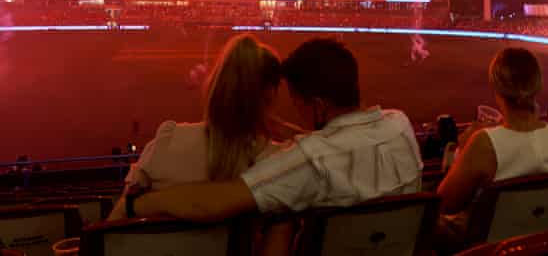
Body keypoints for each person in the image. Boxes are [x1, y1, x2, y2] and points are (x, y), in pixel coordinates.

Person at [130, 37, 423, 223]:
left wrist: (140, 203)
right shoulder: (399, 123)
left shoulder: (307, 160)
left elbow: (215, 202)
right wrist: (291, 133)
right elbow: (342, 145)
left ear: (318, 105)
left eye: (297, 103)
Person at [109, 34, 284, 220]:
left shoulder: (168, 141)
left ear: (217, 83)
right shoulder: (278, 163)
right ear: (270, 93)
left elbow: (117, 219)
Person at [435, 48, 548, 245]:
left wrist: (462, 151)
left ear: (497, 88)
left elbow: (445, 204)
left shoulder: (484, 143)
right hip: (545, 244)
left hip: (489, 247)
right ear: (537, 85)